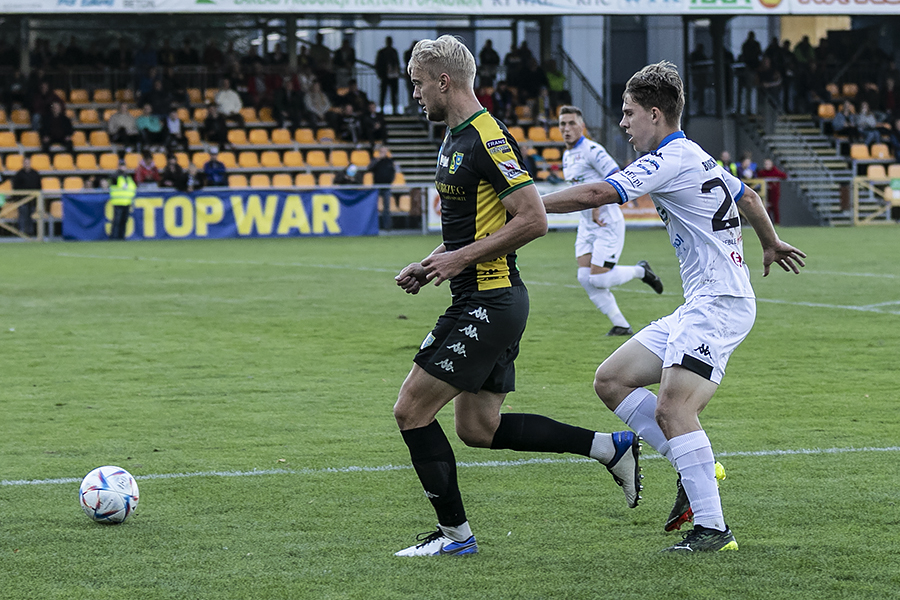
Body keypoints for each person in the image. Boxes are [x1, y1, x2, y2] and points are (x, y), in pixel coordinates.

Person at [392, 35, 641, 558]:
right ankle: (608, 447)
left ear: (444, 81)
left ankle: (455, 537)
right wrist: (434, 260)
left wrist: (458, 260)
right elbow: (474, 227)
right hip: (482, 298)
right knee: (478, 428)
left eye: (418, 83)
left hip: (490, 301)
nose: (414, 93)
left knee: (411, 410)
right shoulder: (454, 137)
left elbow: (534, 219)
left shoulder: (488, 138)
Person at [541, 61, 806, 552]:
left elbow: (600, 192)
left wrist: (527, 203)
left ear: (655, 114)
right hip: (702, 303)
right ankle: (693, 465)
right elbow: (748, 196)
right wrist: (769, 242)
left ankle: (713, 529)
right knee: (611, 380)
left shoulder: (669, 158)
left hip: (719, 303)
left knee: (673, 408)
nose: (623, 123)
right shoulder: (694, 153)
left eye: (629, 113)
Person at [557, 105, 664, 337]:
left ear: (582, 126)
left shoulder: (592, 150)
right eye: (562, 124)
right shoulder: (567, 155)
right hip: (586, 224)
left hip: (606, 221)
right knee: (584, 277)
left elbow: (615, 175)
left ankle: (641, 271)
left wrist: (597, 205)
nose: (566, 128)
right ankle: (621, 325)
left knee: (599, 279)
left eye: (572, 123)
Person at [11, 156, 41, 236]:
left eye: (28, 163)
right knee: (23, 216)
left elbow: (39, 186)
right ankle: (22, 232)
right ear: (23, 163)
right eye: (25, 163)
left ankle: (30, 232)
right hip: (22, 199)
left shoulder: (35, 173)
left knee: (31, 216)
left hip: (32, 199)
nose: (27, 164)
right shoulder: (19, 174)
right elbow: (15, 187)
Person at [368, 144, 396, 229]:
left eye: (385, 151)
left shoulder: (389, 161)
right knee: (374, 206)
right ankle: (373, 226)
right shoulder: (375, 160)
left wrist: (390, 181)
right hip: (376, 186)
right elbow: (369, 168)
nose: (383, 153)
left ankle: (387, 226)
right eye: (382, 151)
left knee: (386, 208)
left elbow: (393, 172)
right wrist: (377, 160)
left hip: (386, 187)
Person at [108, 159, 137, 240]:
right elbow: (111, 179)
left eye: (123, 165)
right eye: (121, 165)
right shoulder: (116, 176)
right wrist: (119, 172)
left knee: (124, 220)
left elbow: (132, 188)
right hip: (118, 202)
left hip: (127, 202)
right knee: (117, 221)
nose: (122, 167)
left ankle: (121, 237)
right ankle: (114, 237)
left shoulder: (128, 177)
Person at [756, 158, 787, 224]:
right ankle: (766, 223)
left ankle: (777, 223)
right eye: (766, 164)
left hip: (774, 193)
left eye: (768, 164)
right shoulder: (762, 172)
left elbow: (784, 176)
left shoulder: (775, 171)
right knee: (766, 208)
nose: (767, 166)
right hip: (765, 192)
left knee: (775, 208)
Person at [375, 36, 401, 115]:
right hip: (385, 76)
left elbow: (397, 63)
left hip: (393, 76)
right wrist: (380, 74)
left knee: (393, 94)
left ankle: (394, 109)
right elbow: (378, 64)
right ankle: (382, 108)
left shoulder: (393, 52)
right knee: (384, 93)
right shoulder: (385, 52)